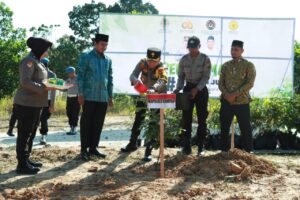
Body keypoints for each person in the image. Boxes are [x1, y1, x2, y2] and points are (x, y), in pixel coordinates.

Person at [13, 37, 53, 174]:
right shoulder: (28, 61)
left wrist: (54, 84)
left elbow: (42, 80)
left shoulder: (38, 62)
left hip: (36, 104)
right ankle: (21, 165)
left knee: (31, 132)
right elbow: (25, 82)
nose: (47, 52)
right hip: (26, 103)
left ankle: (26, 159)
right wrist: (44, 87)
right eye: (46, 49)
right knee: (24, 134)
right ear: (40, 49)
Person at [120, 47, 168, 162]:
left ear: (159, 59)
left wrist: (154, 88)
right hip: (144, 92)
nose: (151, 63)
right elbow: (133, 75)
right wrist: (135, 80)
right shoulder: (142, 63)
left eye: (154, 61)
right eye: (149, 60)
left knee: (153, 121)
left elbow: (163, 80)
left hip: (157, 95)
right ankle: (132, 143)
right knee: (138, 118)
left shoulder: (161, 67)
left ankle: (148, 150)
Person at [77, 33, 114, 161]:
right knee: (86, 123)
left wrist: (110, 96)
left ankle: (93, 148)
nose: (104, 47)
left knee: (98, 124)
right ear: (96, 43)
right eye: (102, 44)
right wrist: (80, 93)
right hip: (88, 96)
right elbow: (80, 76)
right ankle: (83, 150)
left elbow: (110, 79)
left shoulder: (108, 60)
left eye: (106, 45)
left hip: (103, 97)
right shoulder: (86, 56)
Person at [173, 36, 211, 156]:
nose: (192, 50)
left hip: (201, 90)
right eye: (190, 48)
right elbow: (181, 77)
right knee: (186, 119)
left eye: (194, 48)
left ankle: (201, 147)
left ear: (199, 47)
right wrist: (178, 89)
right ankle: (186, 147)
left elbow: (206, 77)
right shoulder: (184, 59)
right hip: (187, 89)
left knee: (202, 119)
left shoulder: (205, 59)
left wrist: (197, 89)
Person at [218, 40, 256, 152]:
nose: (233, 52)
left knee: (245, 128)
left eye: (236, 49)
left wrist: (234, 94)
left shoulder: (248, 65)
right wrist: (226, 94)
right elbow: (220, 83)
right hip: (226, 101)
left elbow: (250, 83)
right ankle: (224, 152)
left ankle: (248, 152)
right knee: (224, 128)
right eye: (232, 49)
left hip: (242, 102)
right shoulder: (225, 66)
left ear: (242, 51)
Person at [39, 57, 56, 145]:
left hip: (47, 100)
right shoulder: (36, 73)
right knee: (40, 118)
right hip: (37, 100)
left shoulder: (52, 75)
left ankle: (43, 135)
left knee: (44, 118)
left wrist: (52, 104)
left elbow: (53, 90)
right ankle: (42, 135)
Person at [65, 66, 80, 135]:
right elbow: (65, 89)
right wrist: (58, 87)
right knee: (68, 112)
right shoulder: (68, 80)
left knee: (75, 113)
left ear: (73, 72)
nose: (68, 74)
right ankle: (71, 127)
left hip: (76, 98)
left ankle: (74, 128)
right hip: (69, 98)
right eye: (67, 73)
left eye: (69, 73)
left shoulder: (79, 79)